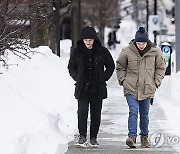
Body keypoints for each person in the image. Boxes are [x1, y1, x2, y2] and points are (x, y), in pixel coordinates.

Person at [116, 27, 166, 148]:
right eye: (139, 43)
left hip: (147, 88)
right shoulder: (127, 51)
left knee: (144, 114)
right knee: (133, 111)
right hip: (131, 87)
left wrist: (156, 82)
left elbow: (161, 67)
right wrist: (123, 80)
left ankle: (144, 138)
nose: (141, 45)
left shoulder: (155, 51)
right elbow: (120, 66)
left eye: (143, 43)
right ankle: (132, 137)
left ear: (147, 42)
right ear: (135, 42)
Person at [68, 26, 115, 147]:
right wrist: (77, 77)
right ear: (82, 40)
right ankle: (82, 136)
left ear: (94, 39)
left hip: (97, 88)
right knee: (82, 112)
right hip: (83, 88)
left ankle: (93, 137)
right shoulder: (77, 52)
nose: (88, 42)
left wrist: (103, 77)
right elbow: (71, 67)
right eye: (85, 40)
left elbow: (111, 65)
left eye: (90, 40)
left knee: (96, 114)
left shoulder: (102, 51)